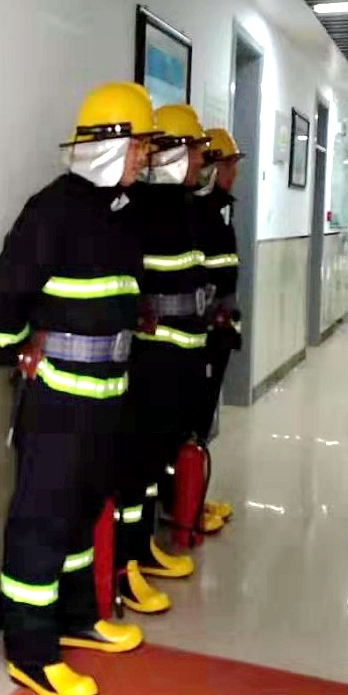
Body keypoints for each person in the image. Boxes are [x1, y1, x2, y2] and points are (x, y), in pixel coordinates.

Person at [0, 82, 158, 695]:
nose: (145, 157)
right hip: (58, 400)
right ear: (107, 143)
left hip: (107, 397)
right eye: (138, 145)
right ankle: (31, 652)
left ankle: (77, 617)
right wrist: (15, 350)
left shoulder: (123, 213)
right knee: (42, 519)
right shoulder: (52, 209)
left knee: (83, 511)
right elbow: (0, 295)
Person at [113, 103, 222, 617]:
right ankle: (126, 562)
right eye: (195, 151)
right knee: (135, 466)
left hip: (180, 360)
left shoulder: (181, 208)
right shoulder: (140, 208)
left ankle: (143, 547)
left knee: (156, 460)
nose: (201, 161)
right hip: (150, 363)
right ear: (173, 153)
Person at [191, 127, 244, 525]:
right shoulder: (198, 215)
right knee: (194, 418)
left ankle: (194, 499)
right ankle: (185, 508)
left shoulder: (219, 212)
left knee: (203, 416)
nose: (233, 173)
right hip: (203, 333)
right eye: (228, 165)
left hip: (218, 329)